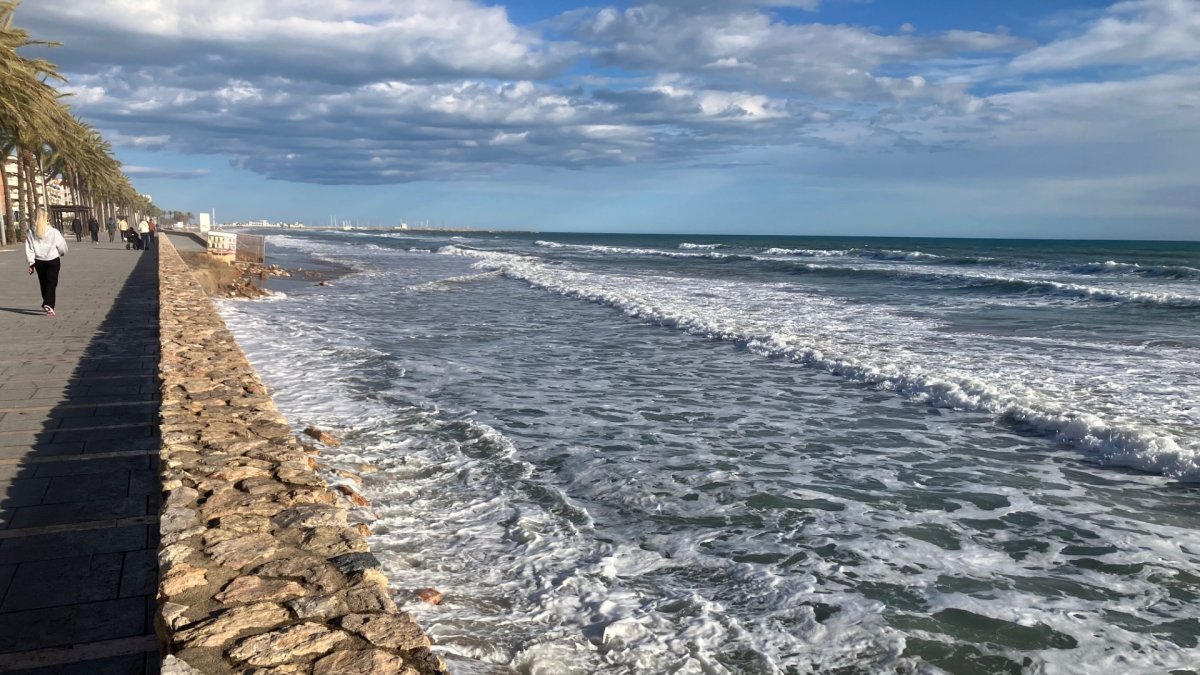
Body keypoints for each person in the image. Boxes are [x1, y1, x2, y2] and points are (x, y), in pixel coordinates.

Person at [24, 209, 68, 316]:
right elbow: (62, 246)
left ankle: (47, 302)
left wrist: (31, 263)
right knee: (51, 283)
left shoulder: (31, 232)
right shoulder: (54, 232)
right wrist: (62, 253)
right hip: (53, 260)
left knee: (43, 283)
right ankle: (49, 304)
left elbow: (29, 248)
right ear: (47, 219)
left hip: (39, 261)